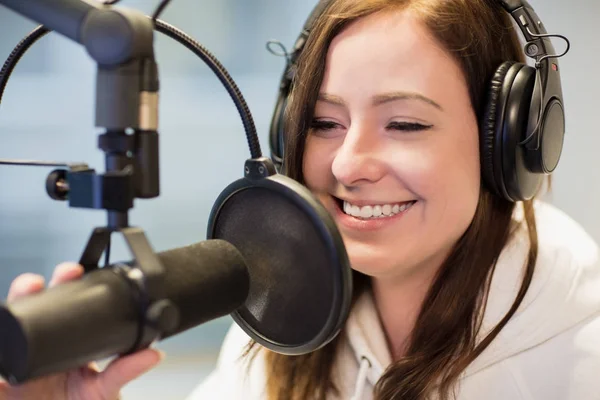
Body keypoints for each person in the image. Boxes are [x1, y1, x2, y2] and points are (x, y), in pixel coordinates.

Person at [2, 0, 599, 399]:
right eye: (322, 122)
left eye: (406, 125)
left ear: (509, 143)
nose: (346, 164)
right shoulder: (283, 317)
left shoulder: (581, 357)